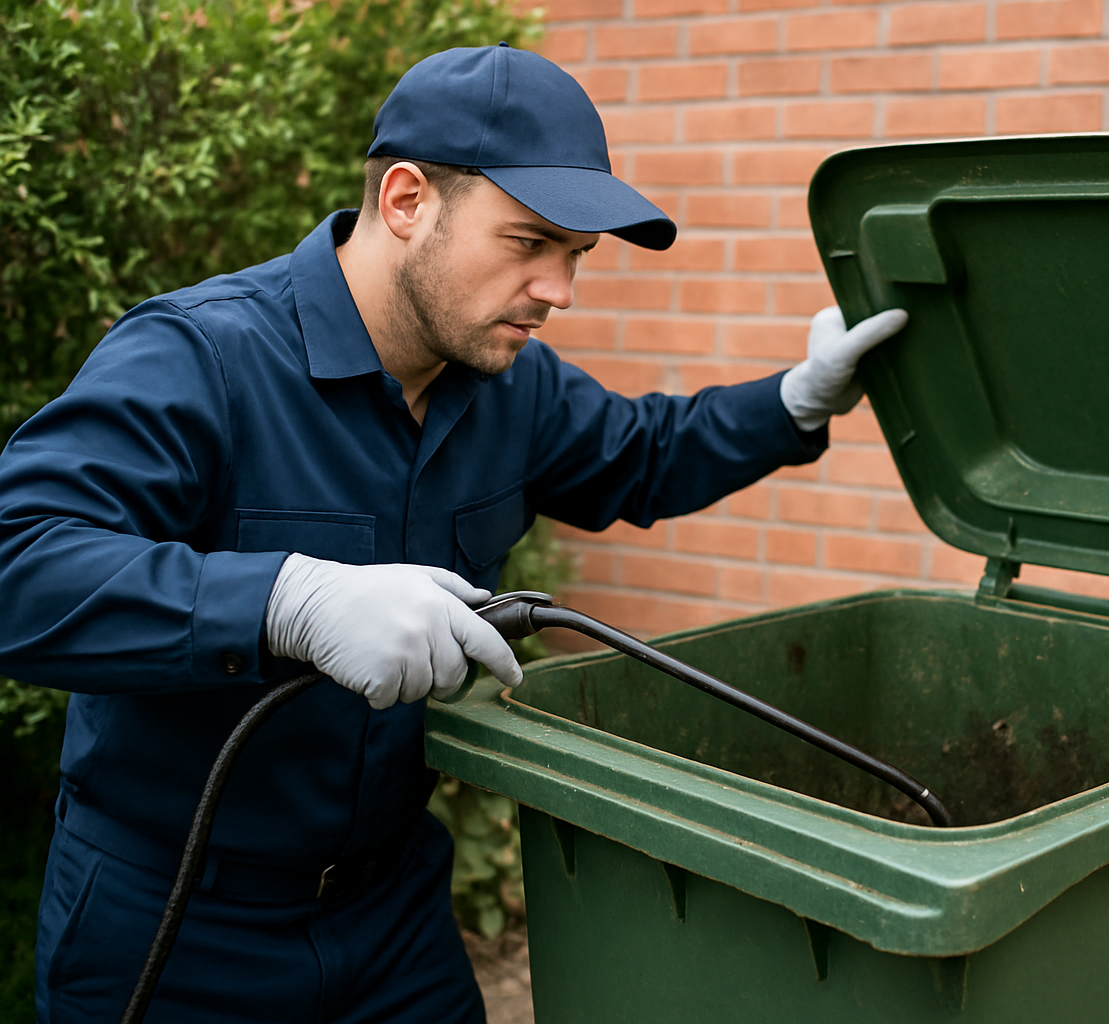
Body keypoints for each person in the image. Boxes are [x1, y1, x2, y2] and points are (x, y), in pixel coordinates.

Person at [0, 45, 907, 1023]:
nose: (560, 291)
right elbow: (22, 559)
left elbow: (649, 453)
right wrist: (283, 601)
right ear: (405, 202)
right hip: (175, 919)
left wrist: (796, 401)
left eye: (577, 257)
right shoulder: (200, 358)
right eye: (529, 243)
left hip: (390, 915)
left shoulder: (513, 392)